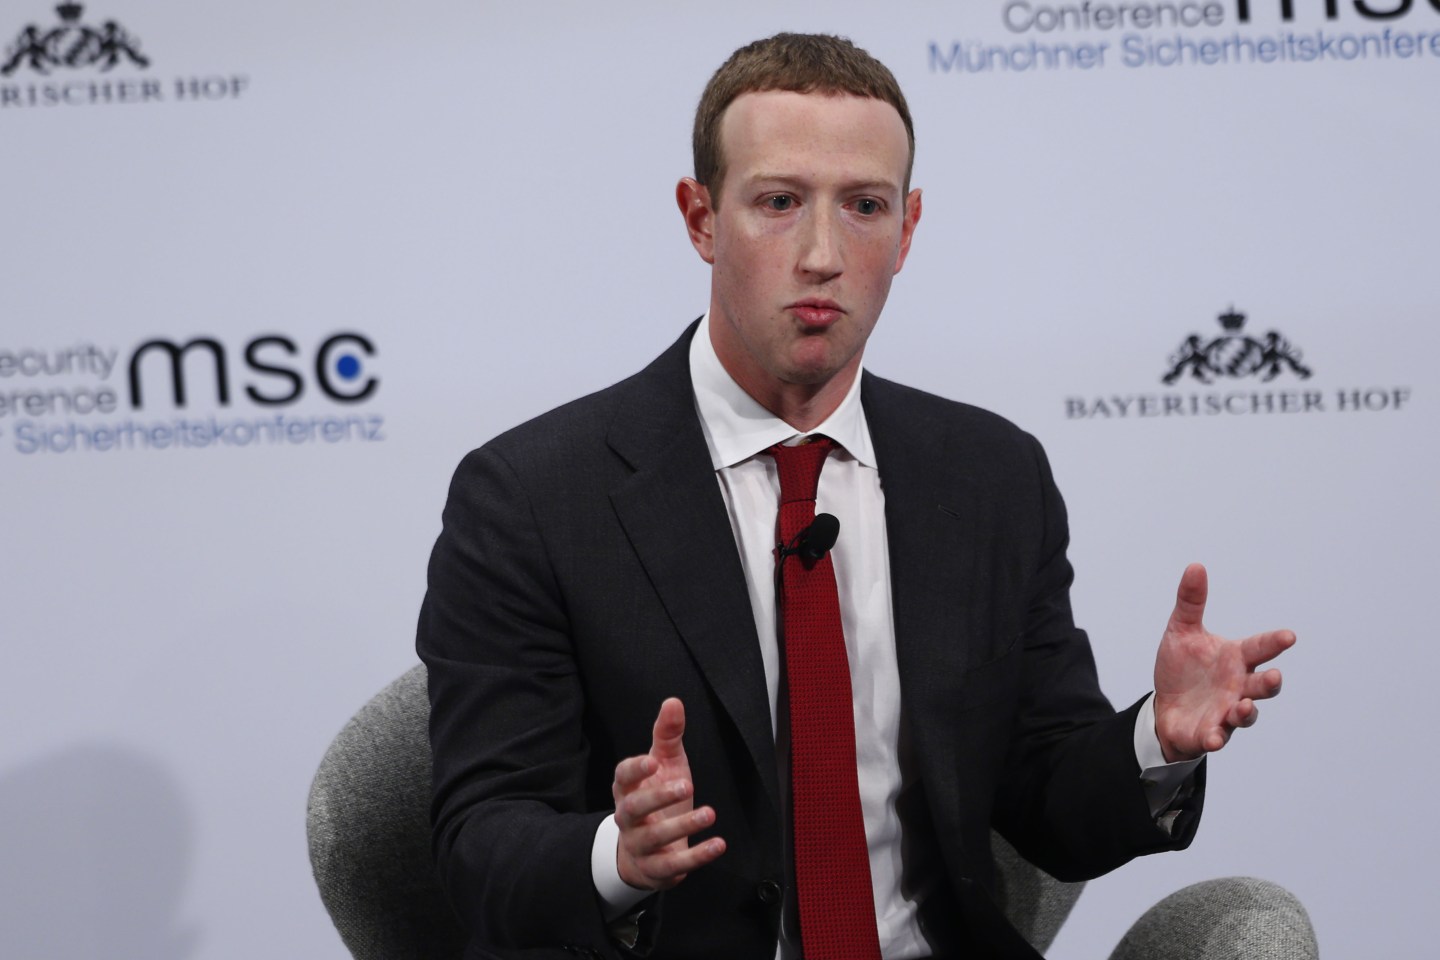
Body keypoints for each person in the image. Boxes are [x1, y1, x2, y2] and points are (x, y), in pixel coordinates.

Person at [416, 32, 1293, 960]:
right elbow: (480, 843)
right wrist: (618, 854)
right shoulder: (532, 497)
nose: (823, 255)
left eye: (864, 206)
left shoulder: (991, 477)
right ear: (701, 218)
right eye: (779, 203)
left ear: (907, 230)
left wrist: (1155, 740)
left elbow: (1047, 800)